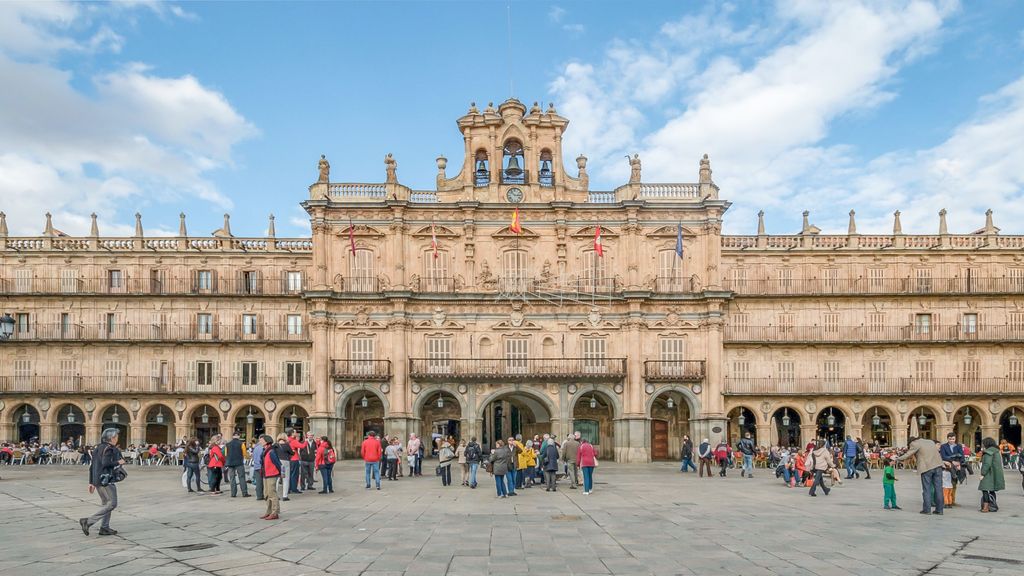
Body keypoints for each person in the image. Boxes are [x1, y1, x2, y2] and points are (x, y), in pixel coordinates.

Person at [79, 428, 125, 536]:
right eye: (116, 437)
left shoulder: (97, 448)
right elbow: (106, 463)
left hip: (98, 480)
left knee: (106, 504)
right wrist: (119, 461)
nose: (117, 439)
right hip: (106, 480)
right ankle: (88, 521)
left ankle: (104, 527)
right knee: (112, 504)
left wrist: (91, 482)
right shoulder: (109, 449)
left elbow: (92, 466)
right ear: (112, 438)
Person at [896, 436, 944, 515]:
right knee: (938, 489)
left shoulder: (915, 444)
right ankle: (939, 510)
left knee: (927, 489)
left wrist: (897, 458)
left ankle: (927, 510)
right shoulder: (930, 441)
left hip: (927, 468)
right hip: (938, 466)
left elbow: (908, 454)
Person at [979, 437, 1005, 512]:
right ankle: (992, 505)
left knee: (984, 489)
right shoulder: (996, 451)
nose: (983, 445)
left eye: (983, 444)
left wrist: (982, 474)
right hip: (995, 474)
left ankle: (986, 507)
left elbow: (987, 464)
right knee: (992, 490)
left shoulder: (988, 452)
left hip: (988, 474)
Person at [939, 432, 964, 507]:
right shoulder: (943, 446)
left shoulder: (958, 446)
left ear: (955, 439)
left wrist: (959, 463)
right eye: (950, 439)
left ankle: (952, 500)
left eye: (953, 439)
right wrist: (952, 461)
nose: (951, 441)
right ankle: (946, 501)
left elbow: (962, 456)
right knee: (946, 485)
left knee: (954, 484)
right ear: (947, 439)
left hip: (956, 467)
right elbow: (943, 456)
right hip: (947, 467)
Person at [259, 435, 281, 520]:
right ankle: (269, 511)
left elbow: (277, 463)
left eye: (261, 440)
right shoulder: (265, 450)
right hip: (266, 474)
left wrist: (280, 473)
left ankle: (275, 512)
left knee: (272, 493)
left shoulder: (271, 451)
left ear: (267, 441)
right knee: (266, 494)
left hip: (272, 474)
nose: (260, 442)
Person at [224, 432, 250, 498]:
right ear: (239, 436)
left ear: (232, 436)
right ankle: (244, 493)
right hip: (239, 463)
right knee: (241, 477)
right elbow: (244, 453)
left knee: (232, 478)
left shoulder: (227, 444)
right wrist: (248, 457)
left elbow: (226, 454)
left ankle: (233, 493)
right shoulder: (241, 444)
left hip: (230, 463)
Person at [276, 432, 295, 501]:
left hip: (277, 462)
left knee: (277, 479)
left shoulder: (275, 445)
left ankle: (276, 495)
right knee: (285, 479)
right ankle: (285, 496)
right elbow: (292, 453)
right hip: (285, 462)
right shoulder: (287, 445)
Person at [287, 430, 304, 495]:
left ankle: (289, 488)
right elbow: (302, 446)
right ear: (292, 434)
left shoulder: (287, 440)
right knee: (295, 474)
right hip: (294, 458)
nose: (296, 433)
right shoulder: (293, 441)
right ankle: (294, 488)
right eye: (295, 432)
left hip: (289, 459)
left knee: (289, 474)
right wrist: (306, 441)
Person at [250, 436, 265, 501]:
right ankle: (264, 494)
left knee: (258, 482)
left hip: (256, 467)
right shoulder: (263, 448)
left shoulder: (255, 447)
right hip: (262, 467)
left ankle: (259, 496)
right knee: (264, 482)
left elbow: (253, 457)